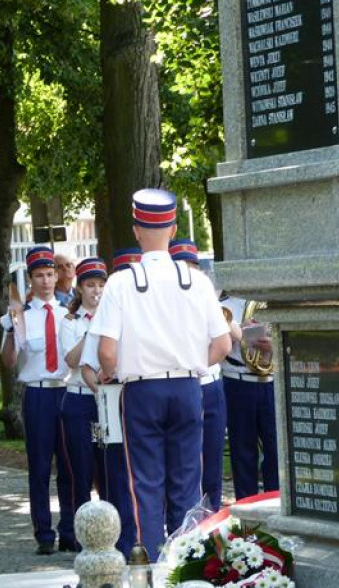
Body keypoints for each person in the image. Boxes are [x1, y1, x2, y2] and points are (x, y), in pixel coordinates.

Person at [89, 190, 231, 560]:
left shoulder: (121, 281)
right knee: (187, 481)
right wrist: (193, 365)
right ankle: (187, 563)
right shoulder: (197, 280)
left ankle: (151, 565)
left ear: (137, 230)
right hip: (187, 385)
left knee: (146, 484)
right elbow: (223, 346)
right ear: (173, 228)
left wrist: (112, 373)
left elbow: (106, 351)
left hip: (140, 389)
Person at [1, 246, 73, 555]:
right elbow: (8, 360)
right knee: (40, 466)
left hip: (68, 391)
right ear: (30, 279)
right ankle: (44, 533)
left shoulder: (69, 312)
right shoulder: (22, 316)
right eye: (39, 276)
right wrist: (9, 329)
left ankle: (70, 529)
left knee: (70, 466)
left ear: (57, 276)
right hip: (39, 393)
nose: (45, 281)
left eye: (49, 274)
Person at [79, 248, 140, 557]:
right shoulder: (108, 314)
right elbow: (88, 366)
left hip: (146, 399)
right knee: (117, 476)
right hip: (116, 401)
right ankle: (126, 541)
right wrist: (100, 389)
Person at [170, 238, 234, 512]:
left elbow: (228, 339)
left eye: (193, 266)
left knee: (213, 458)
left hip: (210, 384)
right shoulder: (165, 304)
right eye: (183, 267)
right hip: (183, 385)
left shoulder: (206, 297)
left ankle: (213, 518)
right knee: (183, 461)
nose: (190, 272)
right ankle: (184, 522)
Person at [58, 257, 107, 546]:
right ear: (79, 288)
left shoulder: (115, 320)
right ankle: (81, 535)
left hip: (105, 400)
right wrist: (93, 329)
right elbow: (72, 360)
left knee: (107, 468)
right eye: (90, 285)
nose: (96, 291)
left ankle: (111, 530)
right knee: (81, 469)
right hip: (79, 401)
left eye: (101, 285)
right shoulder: (71, 323)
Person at [221, 294, 278, 500]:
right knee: (242, 454)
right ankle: (246, 519)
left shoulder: (273, 302)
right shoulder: (224, 306)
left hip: (271, 382)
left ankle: (276, 508)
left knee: (277, 451)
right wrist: (238, 333)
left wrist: (273, 344)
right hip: (238, 382)